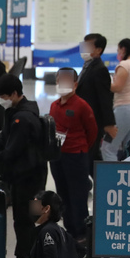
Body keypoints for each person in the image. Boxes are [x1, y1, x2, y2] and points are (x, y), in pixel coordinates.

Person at [0, 74, 46, 258]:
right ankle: (23, 256)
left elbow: (14, 149)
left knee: (25, 217)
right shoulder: (15, 112)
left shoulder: (23, 118)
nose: (2, 101)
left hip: (29, 175)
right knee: (20, 217)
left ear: (14, 94)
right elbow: (4, 139)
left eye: (4, 96)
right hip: (21, 174)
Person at [49, 68, 97, 242]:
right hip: (57, 156)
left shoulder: (82, 106)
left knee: (78, 194)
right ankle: (69, 229)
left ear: (75, 84)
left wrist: (81, 147)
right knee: (62, 193)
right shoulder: (54, 105)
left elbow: (92, 131)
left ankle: (81, 232)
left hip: (76, 155)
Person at [76, 33, 116, 175]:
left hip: (94, 121)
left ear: (98, 50)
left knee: (90, 155)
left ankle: (100, 183)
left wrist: (109, 123)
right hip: (84, 119)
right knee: (92, 157)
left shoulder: (99, 69)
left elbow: (104, 98)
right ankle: (102, 182)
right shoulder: (87, 66)